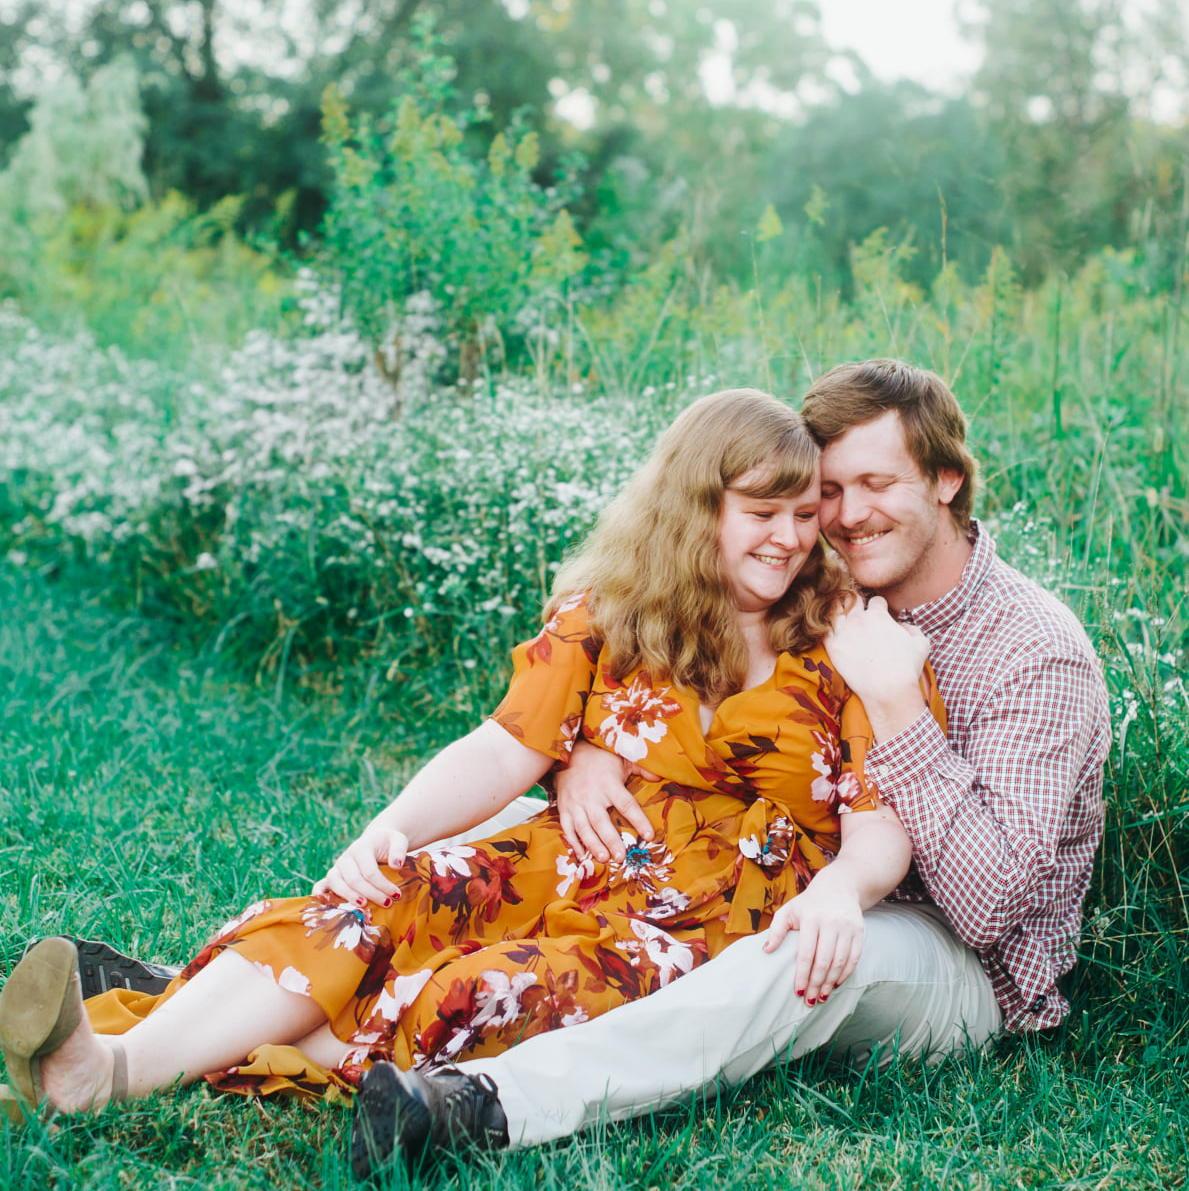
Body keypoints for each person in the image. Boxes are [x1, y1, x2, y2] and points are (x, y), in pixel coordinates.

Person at [0, 388, 939, 1176]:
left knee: (473, 995)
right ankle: (107, 1069)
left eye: (802, 514)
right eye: (759, 513)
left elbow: (879, 816)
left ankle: (201, 1016)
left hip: (692, 927)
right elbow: (503, 748)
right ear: (697, 508)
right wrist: (390, 828)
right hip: (561, 865)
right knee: (360, 909)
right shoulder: (611, 617)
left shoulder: (848, 639)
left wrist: (840, 895)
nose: (787, 538)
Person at [370, 358, 1106, 1155]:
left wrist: (898, 713)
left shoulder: (1032, 652)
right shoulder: (832, 595)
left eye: (876, 483)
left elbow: (989, 911)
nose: (845, 515)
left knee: (802, 947)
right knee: (525, 831)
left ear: (946, 481)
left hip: (951, 960)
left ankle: (486, 1106)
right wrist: (583, 751)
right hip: (792, 871)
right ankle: (338, 978)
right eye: (827, 490)